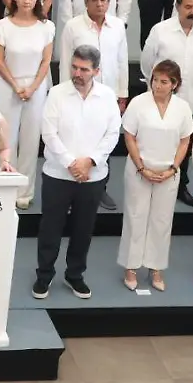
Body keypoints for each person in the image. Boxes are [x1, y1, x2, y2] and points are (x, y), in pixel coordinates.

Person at [33, 44, 122, 300]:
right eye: (74, 67)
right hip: (57, 174)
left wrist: (90, 162)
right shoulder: (57, 94)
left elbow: (112, 133)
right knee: (50, 228)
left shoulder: (107, 96)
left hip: (93, 177)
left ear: (96, 70)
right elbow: (48, 133)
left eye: (84, 69)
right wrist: (72, 163)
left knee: (83, 229)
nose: (77, 73)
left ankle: (75, 275)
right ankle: (44, 275)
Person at [119, 59, 193, 292]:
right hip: (140, 170)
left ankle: (156, 267)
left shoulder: (182, 108)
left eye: (163, 82)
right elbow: (129, 136)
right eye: (155, 80)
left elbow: (185, 140)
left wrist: (173, 168)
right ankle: (131, 267)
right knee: (135, 216)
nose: (157, 86)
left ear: (175, 84)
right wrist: (141, 167)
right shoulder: (138, 103)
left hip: (168, 173)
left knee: (161, 221)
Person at [60, 0, 129, 212]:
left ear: (109, 2)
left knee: (104, 140)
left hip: (106, 95)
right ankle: (71, 185)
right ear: (86, 2)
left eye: (104, 0)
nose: (100, 4)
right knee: (77, 135)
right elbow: (65, 61)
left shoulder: (117, 26)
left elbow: (122, 61)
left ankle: (100, 188)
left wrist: (122, 93)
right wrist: (64, 92)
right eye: (95, 0)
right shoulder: (73, 26)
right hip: (77, 92)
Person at [142, 0, 193, 207]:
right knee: (156, 142)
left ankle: (180, 187)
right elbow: (147, 65)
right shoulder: (160, 30)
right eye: (188, 7)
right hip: (161, 100)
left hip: (190, 101)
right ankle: (150, 182)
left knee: (185, 147)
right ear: (177, 6)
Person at [0, 0, 55, 208]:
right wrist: (16, 86)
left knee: (30, 139)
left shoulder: (46, 27)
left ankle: (24, 192)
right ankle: (4, 186)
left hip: (36, 88)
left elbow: (46, 60)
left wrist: (33, 87)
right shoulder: (2, 26)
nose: (26, 1)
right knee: (6, 138)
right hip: (8, 86)